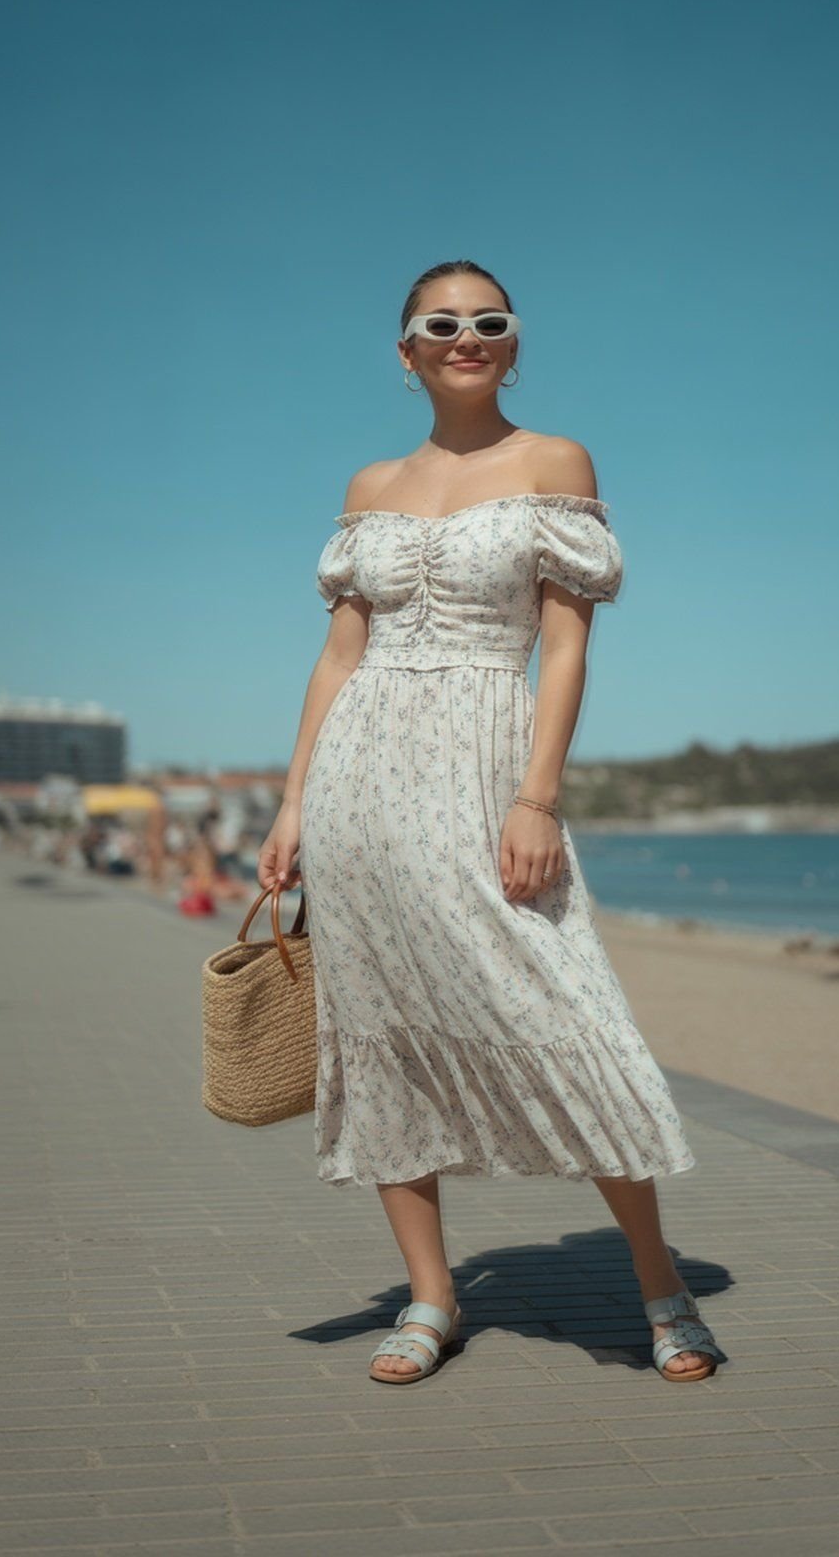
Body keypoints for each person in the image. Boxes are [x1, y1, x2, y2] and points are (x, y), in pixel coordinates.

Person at [259, 260, 718, 1387]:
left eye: (489, 321)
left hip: (484, 759)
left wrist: (537, 796)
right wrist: (291, 802)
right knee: (379, 1026)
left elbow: (565, 645)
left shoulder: (553, 462)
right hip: (362, 776)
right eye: (442, 323)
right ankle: (429, 1298)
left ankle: (659, 1287)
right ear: (406, 351)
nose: (468, 335)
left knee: (565, 1003)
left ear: (513, 344)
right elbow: (338, 656)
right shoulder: (368, 485)